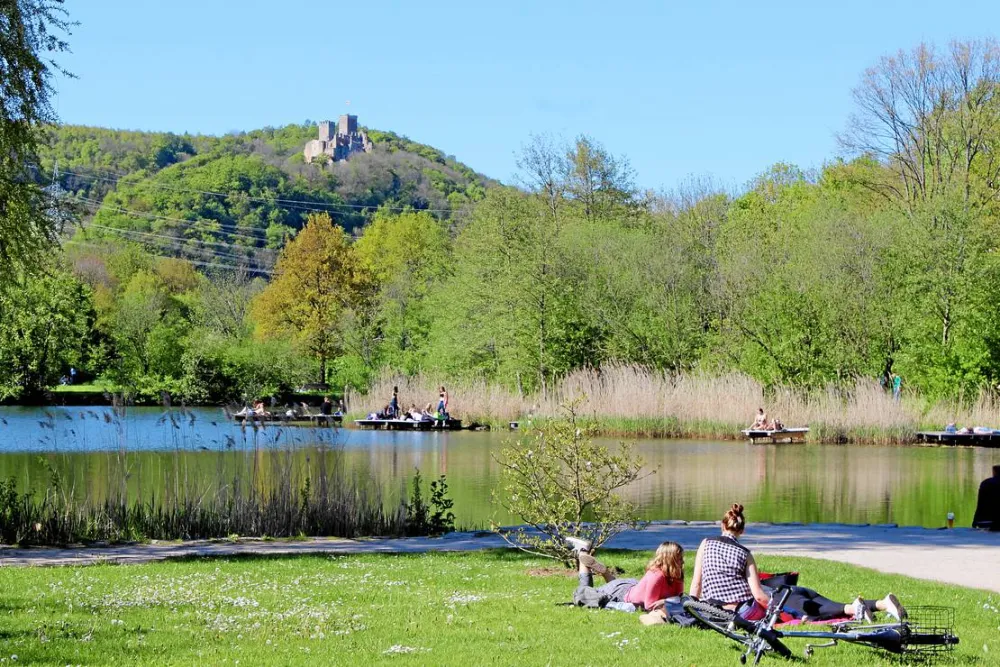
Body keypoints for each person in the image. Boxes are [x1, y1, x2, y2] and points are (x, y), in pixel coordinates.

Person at [689, 504, 906, 622]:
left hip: (738, 604)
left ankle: (874, 605)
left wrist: (693, 611)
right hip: (755, 601)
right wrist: (781, 613)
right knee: (807, 599)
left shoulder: (705, 544)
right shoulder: (745, 553)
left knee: (808, 601)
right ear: (742, 530)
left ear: (722, 525)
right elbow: (758, 595)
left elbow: (696, 587)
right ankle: (871, 605)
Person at [567, 537, 684, 614]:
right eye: (679, 559)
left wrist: (669, 601)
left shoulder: (677, 574)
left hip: (631, 587)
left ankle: (605, 573)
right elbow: (649, 606)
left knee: (603, 588)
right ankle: (582, 553)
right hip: (620, 594)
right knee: (584, 592)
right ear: (669, 560)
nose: (683, 562)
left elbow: (679, 597)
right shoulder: (656, 576)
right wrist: (668, 601)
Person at [973, 465, 1000, 530]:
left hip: (984, 521)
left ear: (994, 472)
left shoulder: (985, 483)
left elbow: (980, 504)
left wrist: (975, 521)